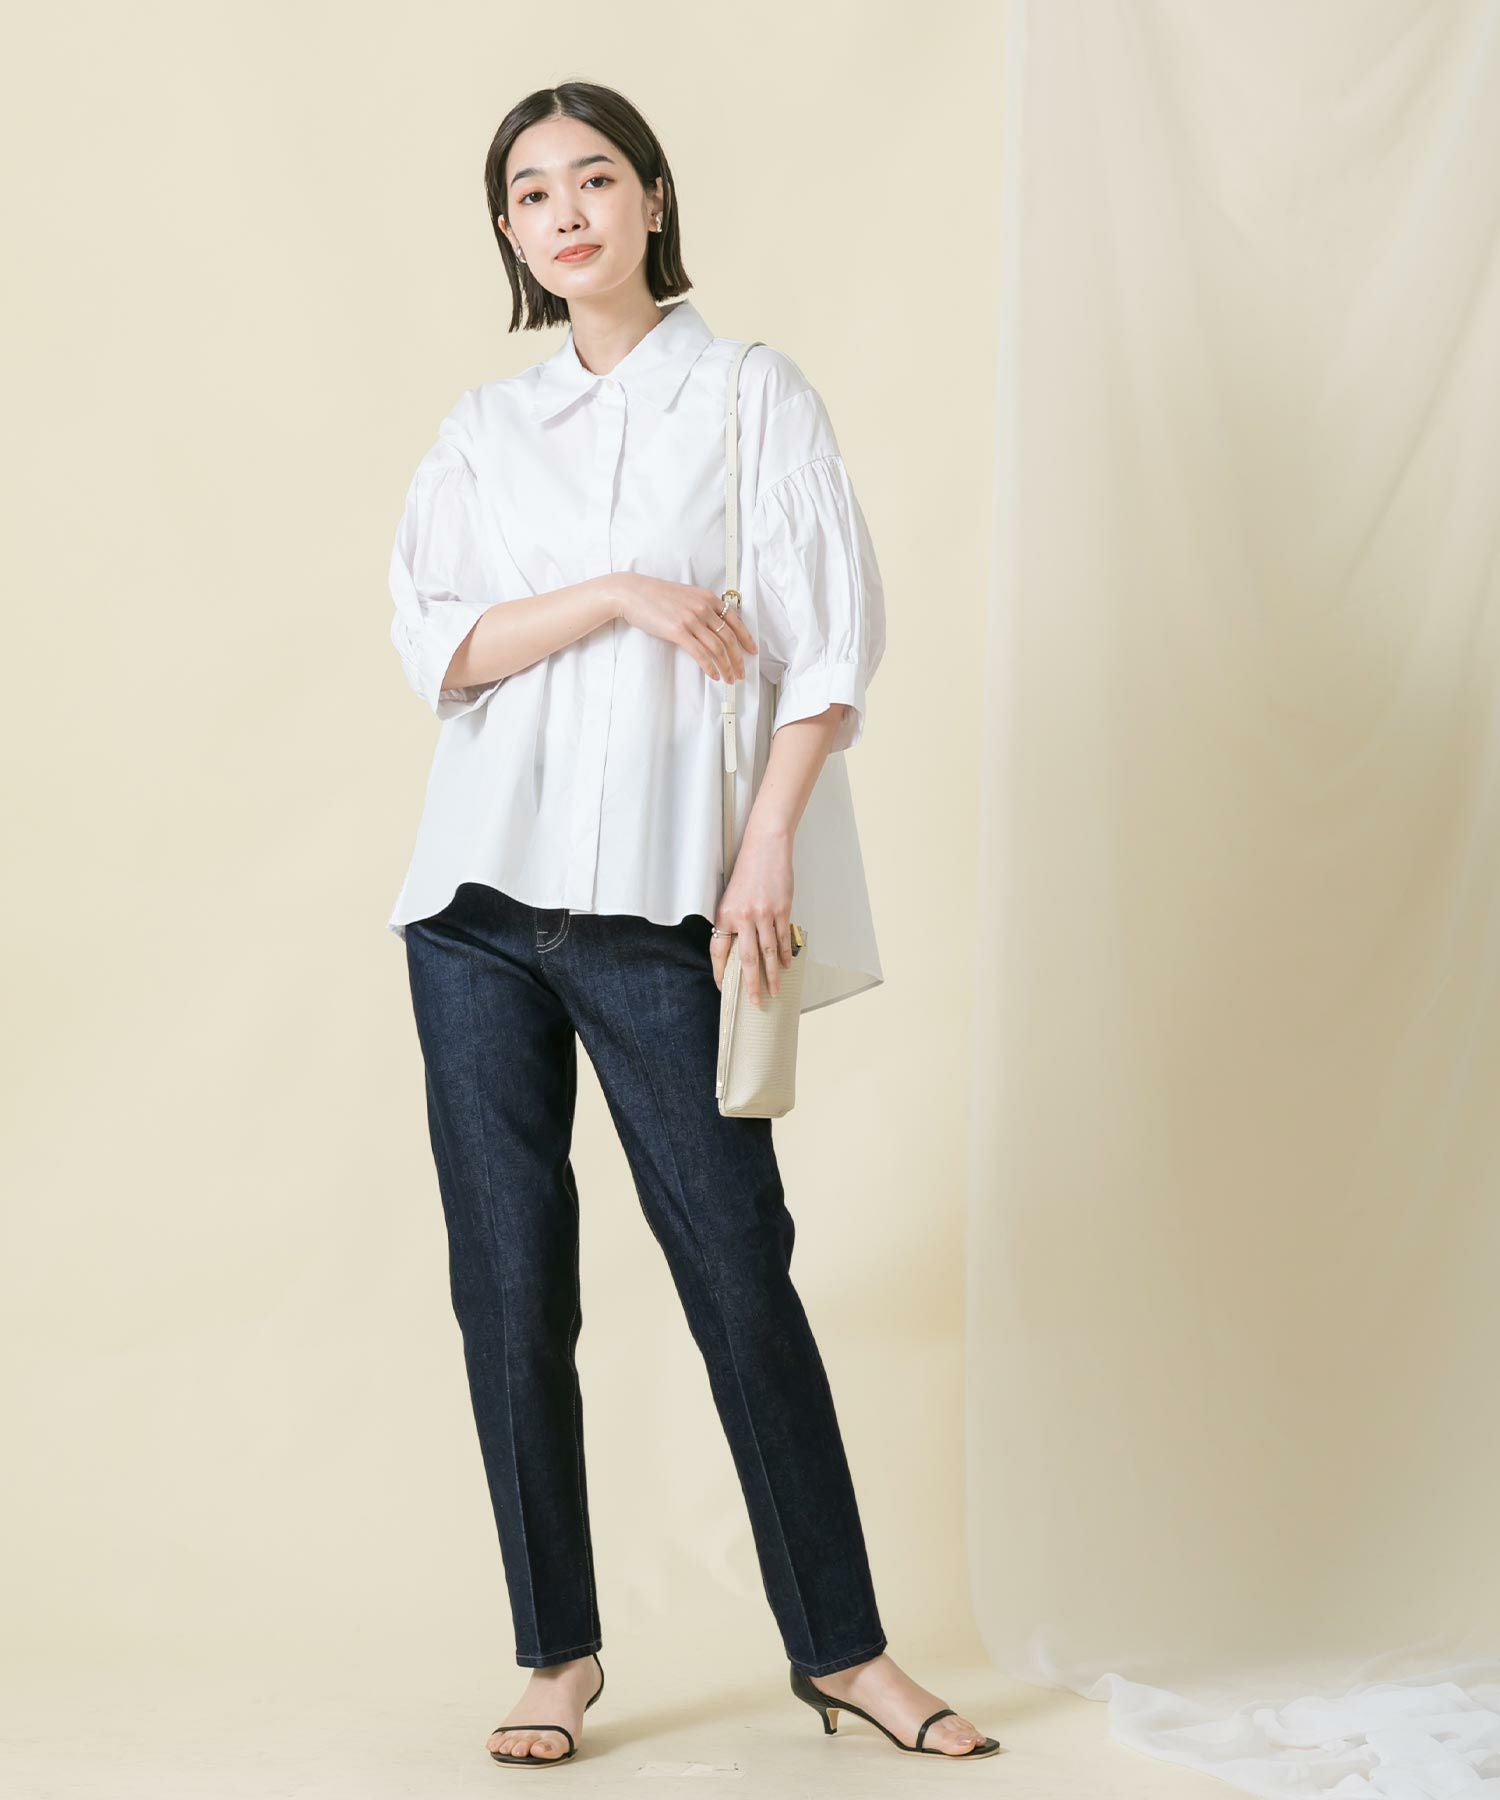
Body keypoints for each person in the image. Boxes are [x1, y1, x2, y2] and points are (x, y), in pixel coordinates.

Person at [386, 80, 1000, 1768]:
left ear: (652, 199)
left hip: (664, 910)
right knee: (510, 1290)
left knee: (739, 1268)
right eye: (532, 193)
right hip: (474, 910)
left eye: (595, 179)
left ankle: (845, 1651)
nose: (566, 211)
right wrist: (614, 594)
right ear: (509, 233)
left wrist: (764, 850)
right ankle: (556, 1655)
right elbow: (440, 645)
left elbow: (829, 651)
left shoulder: (749, 399)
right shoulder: (483, 429)